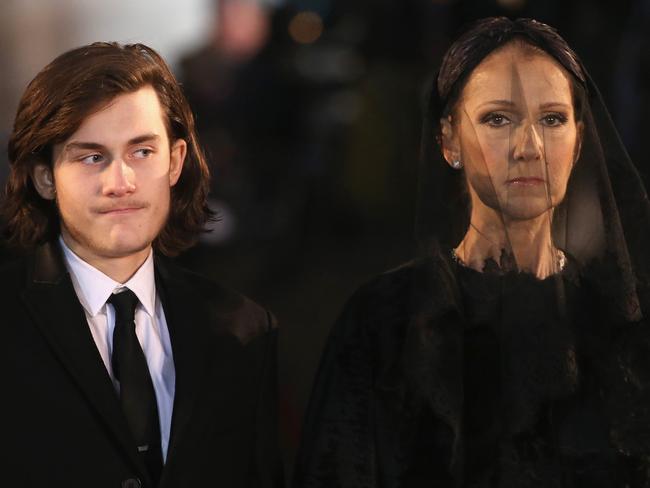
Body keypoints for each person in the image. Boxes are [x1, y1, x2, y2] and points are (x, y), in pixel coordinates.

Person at [294, 17, 650, 487]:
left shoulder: (617, 324)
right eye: (498, 119)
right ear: (448, 140)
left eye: (552, 119)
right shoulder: (385, 320)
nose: (530, 147)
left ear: (580, 138)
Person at [0, 42, 283, 488]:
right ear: (44, 177)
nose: (122, 182)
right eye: (92, 157)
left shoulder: (244, 330)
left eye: (142, 151)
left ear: (175, 161)